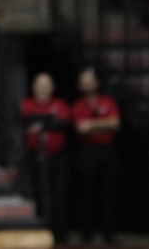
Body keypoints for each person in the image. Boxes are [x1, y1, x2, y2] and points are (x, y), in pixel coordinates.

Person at [19, 72, 71, 242]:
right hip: (35, 158)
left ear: (52, 88)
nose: (43, 89)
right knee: (39, 194)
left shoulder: (60, 104)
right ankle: (40, 231)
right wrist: (50, 121)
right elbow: (25, 120)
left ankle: (60, 235)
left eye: (46, 85)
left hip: (58, 158)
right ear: (33, 88)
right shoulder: (27, 104)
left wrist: (40, 123)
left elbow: (63, 123)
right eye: (40, 85)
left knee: (59, 196)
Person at [72, 66, 120, 244]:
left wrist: (91, 125)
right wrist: (103, 124)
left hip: (107, 151)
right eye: (83, 81)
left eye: (90, 80)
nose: (87, 84)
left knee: (108, 194)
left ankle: (109, 234)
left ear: (97, 83)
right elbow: (80, 128)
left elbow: (115, 124)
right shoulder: (78, 106)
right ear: (79, 85)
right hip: (87, 151)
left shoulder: (108, 102)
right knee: (87, 193)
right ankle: (86, 234)